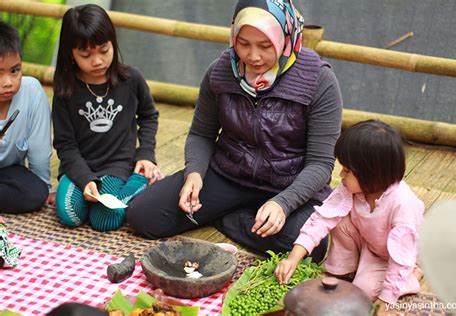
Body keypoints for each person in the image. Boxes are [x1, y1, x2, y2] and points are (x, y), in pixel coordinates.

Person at [127, 0, 342, 261]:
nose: (253, 56)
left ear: (287, 38)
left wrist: (283, 203)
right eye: (244, 43)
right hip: (228, 175)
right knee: (143, 215)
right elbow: (201, 134)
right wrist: (194, 174)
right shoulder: (220, 72)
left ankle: (228, 217)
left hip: (289, 185)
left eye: (265, 45)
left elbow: (320, 164)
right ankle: (240, 214)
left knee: (310, 246)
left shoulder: (318, 80)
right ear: (233, 35)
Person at [274, 120, 424, 305]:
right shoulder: (352, 189)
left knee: (361, 293)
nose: (341, 176)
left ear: (371, 174)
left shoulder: (403, 204)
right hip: (370, 245)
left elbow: (400, 258)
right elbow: (321, 219)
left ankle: (411, 276)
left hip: (394, 258)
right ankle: (342, 271)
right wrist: (292, 259)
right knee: (338, 218)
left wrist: (386, 300)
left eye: (346, 171)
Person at [52, 4, 160, 232]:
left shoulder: (131, 79)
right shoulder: (66, 90)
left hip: (116, 166)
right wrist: (84, 179)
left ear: (113, 42)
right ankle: (104, 189)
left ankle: (139, 182)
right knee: (70, 214)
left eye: (104, 50)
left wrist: (146, 153)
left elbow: (149, 115)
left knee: (105, 221)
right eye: (86, 55)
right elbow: (65, 144)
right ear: (70, 52)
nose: (98, 61)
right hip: (78, 167)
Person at [0, 20, 54, 213]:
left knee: (35, 193)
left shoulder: (32, 91)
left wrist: (46, 187)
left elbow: (39, 148)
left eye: (15, 71)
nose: (8, 82)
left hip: (8, 171)